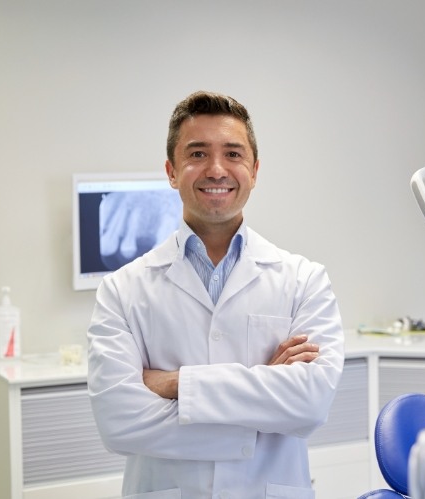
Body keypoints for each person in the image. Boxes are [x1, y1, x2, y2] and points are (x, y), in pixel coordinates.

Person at [87, 90, 344, 499]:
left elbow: (310, 405)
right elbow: (118, 422)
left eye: (233, 154)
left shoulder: (304, 280)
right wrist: (261, 408)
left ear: (254, 170)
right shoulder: (122, 289)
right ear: (172, 171)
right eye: (198, 154)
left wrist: (175, 384)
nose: (217, 169)